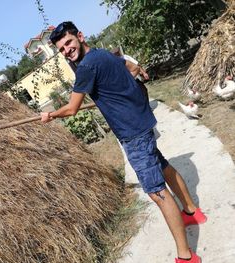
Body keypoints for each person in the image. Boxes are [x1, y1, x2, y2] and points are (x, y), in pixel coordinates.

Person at [41, 21, 206, 263]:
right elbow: (131, 67)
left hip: (133, 132)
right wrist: (119, 89)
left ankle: (186, 256)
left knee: (157, 192)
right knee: (162, 166)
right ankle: (192, 211)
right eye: (62, 49)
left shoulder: (86, 67)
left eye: (69, 43)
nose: (67, 50)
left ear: (80, 36)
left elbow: (72, 109)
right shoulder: (101, 54)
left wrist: (51, 114)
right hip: (142, 122)